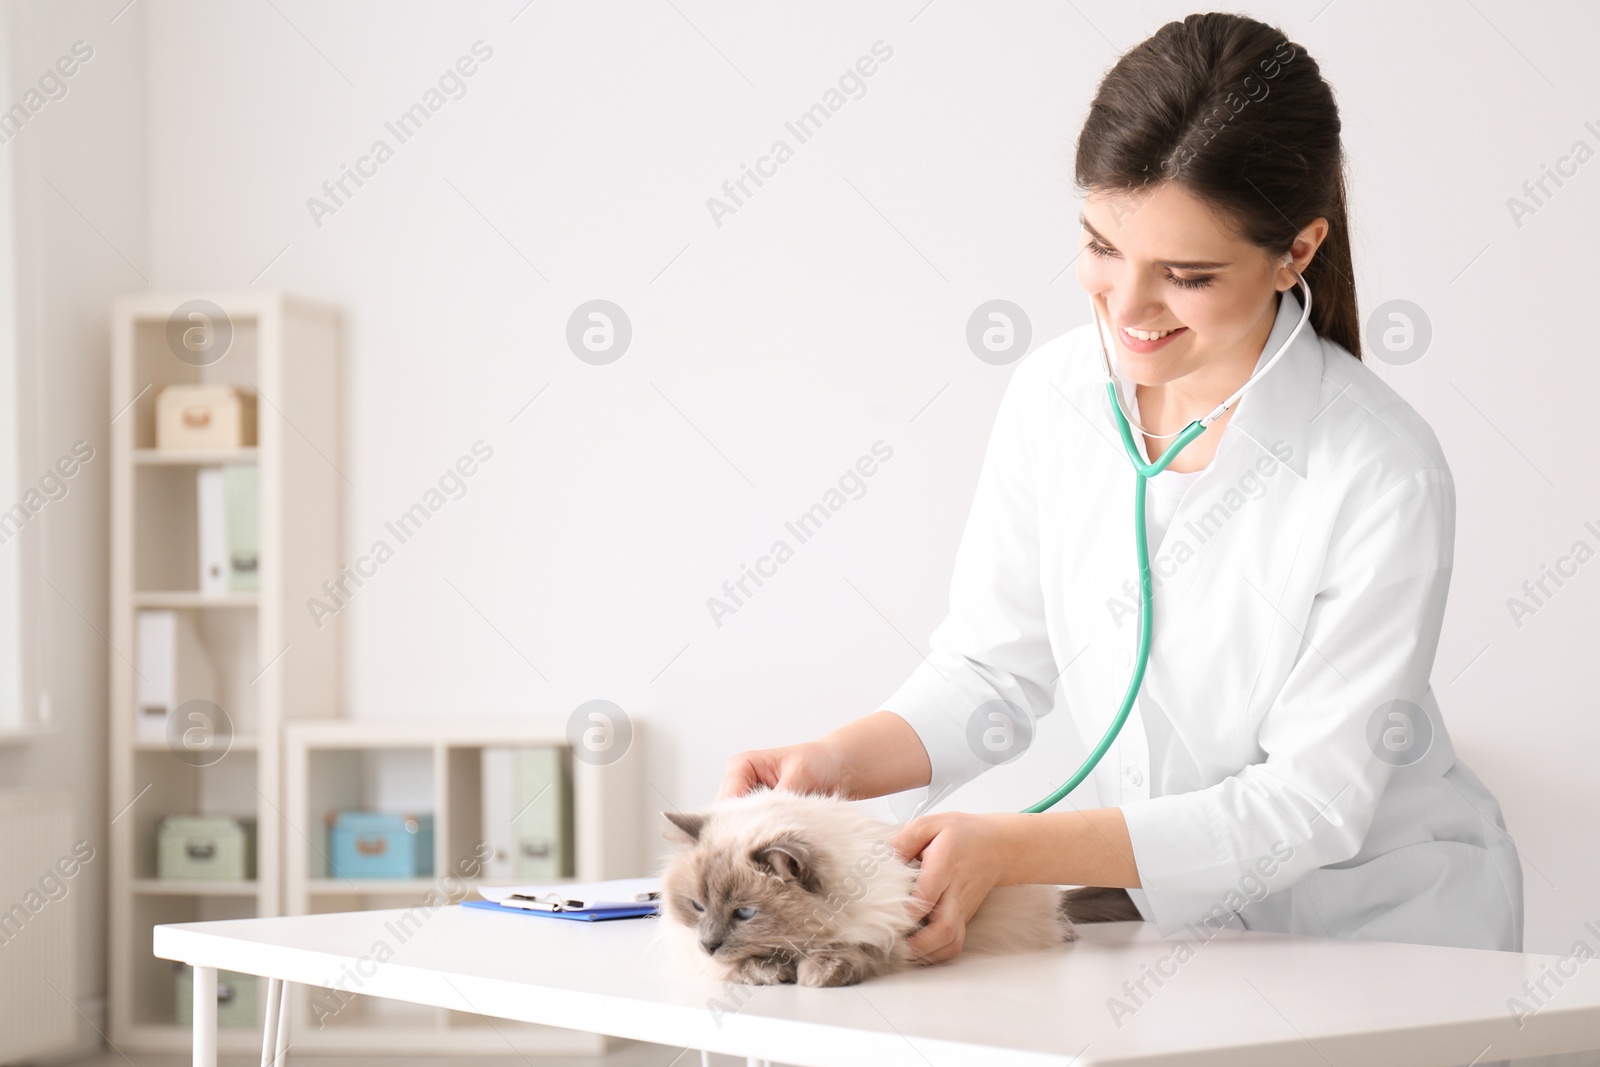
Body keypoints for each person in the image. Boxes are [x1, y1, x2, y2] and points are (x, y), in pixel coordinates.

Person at [716, 11, 1524, 967]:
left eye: (1184, 274)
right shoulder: (1055, 396)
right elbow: (989, 670)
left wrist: (1012, 849)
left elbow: (1309, 805)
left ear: (1297, 251)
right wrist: (839, 763)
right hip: (1194, 940)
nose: (1127, 308)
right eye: (1101, 247)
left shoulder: (1379, 466)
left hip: (1395, 938)